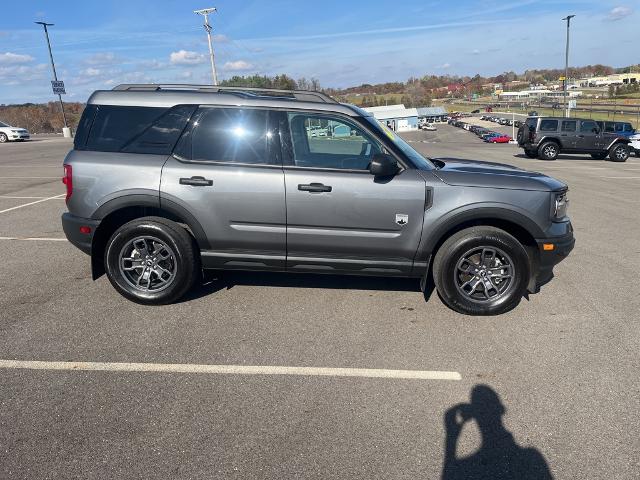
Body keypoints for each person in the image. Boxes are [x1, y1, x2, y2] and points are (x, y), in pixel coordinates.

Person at [442, 385, 553, 480]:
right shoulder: (533, 457)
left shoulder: (462, 468)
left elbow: (448, 471)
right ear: (501, 410)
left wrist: (452, 437)